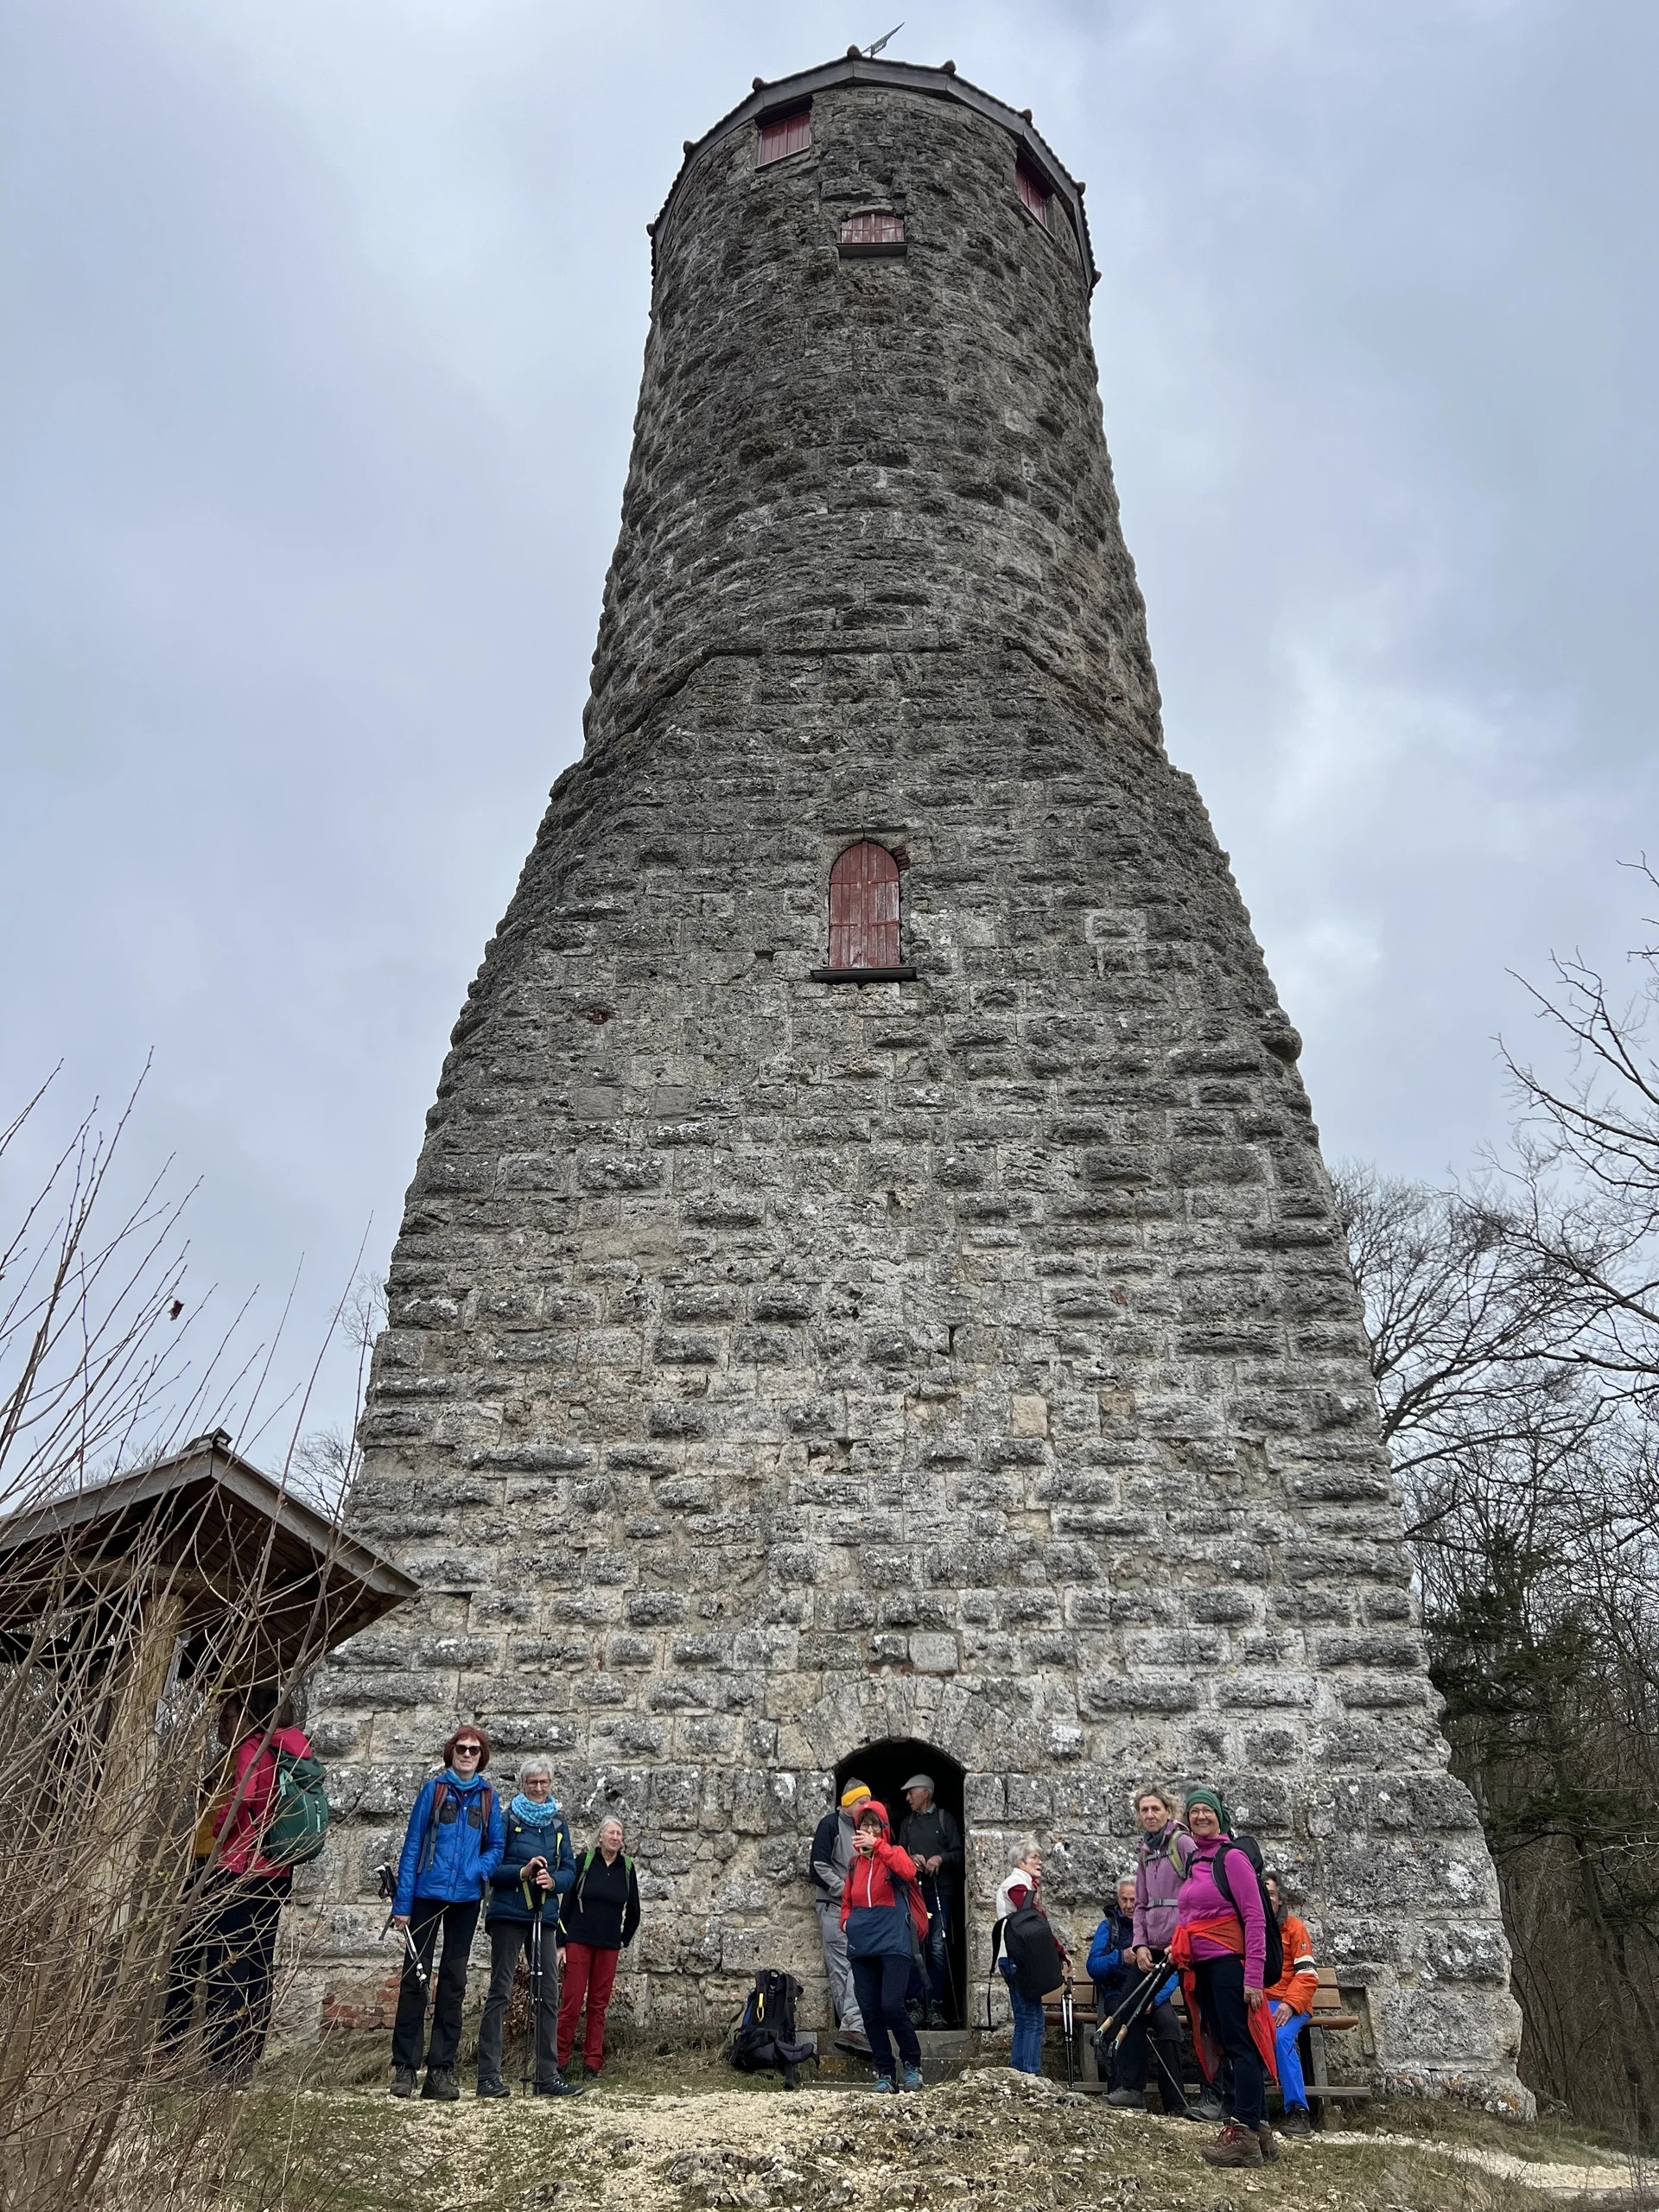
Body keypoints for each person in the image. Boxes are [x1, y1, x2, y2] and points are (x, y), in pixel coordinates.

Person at [159, 1688, 312, 2085]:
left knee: (227, 1965)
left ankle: (220, 2061)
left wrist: (216, 1824)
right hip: (277, 1870)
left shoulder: (253, 1748)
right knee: (260, 1965)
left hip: (237, 1867)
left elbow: (243, 1800)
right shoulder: (294, 1750)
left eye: (227, 1718)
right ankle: (245, 2060)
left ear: (249, 1717)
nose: (221, 1727)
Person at [390, 1725, 505, 2101]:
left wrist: (479, 1870)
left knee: (453, 1983)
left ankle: (440, 2072)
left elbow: (497, 1846)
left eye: (474, 1750)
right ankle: (405, 2069)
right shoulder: (433, 1790)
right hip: (426, 1893)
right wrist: (402, 1905)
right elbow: (411, 1848)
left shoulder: (489, 1797)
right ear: (451, 1752)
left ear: (481, 1756)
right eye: (461, 1748)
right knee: (414, 1980)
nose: (467, 1754)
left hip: (466, 1901)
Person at [1171, 1786, 1279, 2171]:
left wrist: (1253, 1978)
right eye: (1195, 1811)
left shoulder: (1231, 1859)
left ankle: (1245, 2135)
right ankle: (1261, 2131)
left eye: (1208, 1811)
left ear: (1221, 1816)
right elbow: (1192, 1914)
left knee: (1240, 2046)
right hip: (1204, 1967)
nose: (1201, 1817)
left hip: (1231, 1967)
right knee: (1230, 2044)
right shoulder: (1196, 1861)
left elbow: (1254, 1918)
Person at [476, 1758, 579, 2099]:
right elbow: (493, 1867)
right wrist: (524, 1871)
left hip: (544, 1916)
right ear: (522, 1785)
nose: (538, 1788)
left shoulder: (559, 1824)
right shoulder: (506, 1820)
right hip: (509, 1914)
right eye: (533, 1782)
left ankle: (547, 2075)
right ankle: (488, 2076)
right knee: (500, 1991)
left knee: (549, 1993)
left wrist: (553, 1881)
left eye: (544, 1782)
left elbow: (570, 1870)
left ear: (551, 1784)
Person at [1118, 1783, 1197, 2119]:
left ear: (1168, 1811)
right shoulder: (1144, 1851)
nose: (1149, 1814)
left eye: (1155, 1809)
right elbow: (1142, 1905)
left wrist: (1180, 1940)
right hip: (1151, 1945)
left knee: (1200, 2016)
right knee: (1128, 2006)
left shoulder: (1183, 1843)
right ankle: (1131, 2090)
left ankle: (1207, 2098)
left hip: (1182, 1945)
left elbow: (1198, 1893)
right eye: (1144, 1810)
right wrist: (1138, 1945)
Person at [841, 1799, 926, 2094]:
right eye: (863, 1825)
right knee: (869, 2010)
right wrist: (846, 1924)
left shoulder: (893, 1853)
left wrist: (878, 1846)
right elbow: (847, 1903)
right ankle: (885, 2072)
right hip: (862, 1946)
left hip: (893, 1942)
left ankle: (912, 2065)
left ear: (883, 1829)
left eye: (873, 1825)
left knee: (891, 2006)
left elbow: (908, 1872)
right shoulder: (853, 1865)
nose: (867, 1830)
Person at [556, 1815, 640, 2081]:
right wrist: (561, 1943)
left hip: (607, 1947)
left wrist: (622, 1939)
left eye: (620, 1834)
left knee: (598, 2005)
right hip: (578, 1942)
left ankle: (592, 2062)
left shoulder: (627, 1869)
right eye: (611, 1833)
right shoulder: (583, 1863)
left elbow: (634, 1912)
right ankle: (557, 2060)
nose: (616, 1838)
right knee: (571, 2003)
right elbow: (566, 1905)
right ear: (601, 1836)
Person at [809, 1780, 873, 2054]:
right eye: (861, 1802)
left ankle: (850, 2030)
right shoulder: (830, 1825)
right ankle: (852, 2029)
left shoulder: (863, 1830)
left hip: (856, 1910)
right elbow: (818, 1866)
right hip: (835, 1908)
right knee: (846, 1970)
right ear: (848, 1802)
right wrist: (846, 1891)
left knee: (855, 1967)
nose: (865, 1807)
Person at [897, 1773, 963, 2026]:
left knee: (937, 1948)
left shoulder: (945, 1819)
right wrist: (912, 1859)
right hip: (914, 1893)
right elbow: (899, 1853)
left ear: (925, 1792)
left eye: (911, 1792)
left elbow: (959, 1853)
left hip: (940, 1892)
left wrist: (940, 1858)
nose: (907, 1797)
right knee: (915, 1948)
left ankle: (936, 2007)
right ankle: (915, 2005)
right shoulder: (908, 1824)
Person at [995, 1840, 1065, 2078]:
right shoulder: (1017, 1884)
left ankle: (1019, 2072)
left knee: (1025, 2018)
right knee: (1033, 2019)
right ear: (1020, 1862)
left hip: (1012, 1958)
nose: (1040, 1862)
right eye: (1034, 1857)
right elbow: (1032, 1920)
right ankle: (1029, 2073)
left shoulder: (1022, 1884)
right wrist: (1058, 1950)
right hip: (1017, 1958)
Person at [1263, 1873, 1319, 2136]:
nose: (1267, 1898)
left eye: (1271, 1893)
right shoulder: (1249, 1926)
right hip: (1258, 2001)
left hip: (1289, 2003)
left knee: (1281, 2038)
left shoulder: (1295, 1928)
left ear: (1280, 1899)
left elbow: (1307, 1975)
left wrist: (1289, 2004)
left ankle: (1298, 2110)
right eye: (1262, 1893)